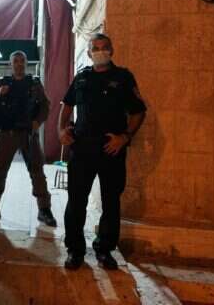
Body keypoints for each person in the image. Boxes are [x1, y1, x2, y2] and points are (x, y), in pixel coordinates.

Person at [59, 33, 147, 270]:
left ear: (112, 50)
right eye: (95, 48)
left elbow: (139, 112)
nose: (100, 51)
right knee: (76, 201)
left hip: (111, 149)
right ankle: (75, 250)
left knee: (111, 202)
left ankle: (105, 249)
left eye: (104, 47)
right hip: (82, 149)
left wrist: (125, 137)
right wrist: (61, 130)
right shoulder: (81, 78)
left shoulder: (123, 77)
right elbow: (66, 105)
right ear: (89, 53)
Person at [0, 51, 57, 227]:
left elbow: (45, 105)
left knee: (37, 171)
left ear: (26, 63)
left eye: (22, 60)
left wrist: (38, 121)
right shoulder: (2, 82)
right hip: (7, 134)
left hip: (29, 133)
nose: (19, 63)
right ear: (11, 64)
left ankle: (44, 209)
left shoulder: (34, 83)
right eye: (16, 60)